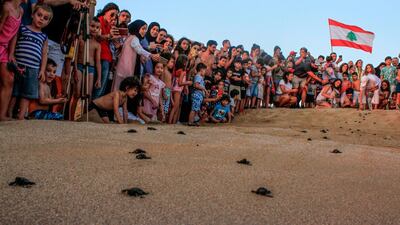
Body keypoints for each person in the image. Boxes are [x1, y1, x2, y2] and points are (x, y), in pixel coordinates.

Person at [9, 3, 52, 120]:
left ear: (47, 22)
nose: (41, 19)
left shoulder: (44, 37)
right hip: (18, 65)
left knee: (26, 94)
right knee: (14, 91)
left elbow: (44, 54)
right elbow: (14, 40)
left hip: (33, 68)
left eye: (45, 18)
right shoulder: (23, 28)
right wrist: (11, 54)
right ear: (32, 15)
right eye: (39, 15)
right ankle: (8, 113)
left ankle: (21, 116)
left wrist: (42, 70)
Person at [113, 20, 159, 91]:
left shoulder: (129, 37)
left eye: (145, 29)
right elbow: (139, 49)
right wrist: (151, 55)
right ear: (137, 28)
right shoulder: (134, 38)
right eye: (143, 29)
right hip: (126, 68)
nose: (145, 31)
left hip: (122, 67)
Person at [70, 17, 102, 119]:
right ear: (87, 26)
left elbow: (98, 63)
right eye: (92, 26)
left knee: (88, 95)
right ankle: (70, 117)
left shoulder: (97, 45)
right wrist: (74, 70)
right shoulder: (80, 39)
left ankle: (83, 117)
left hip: (91, 69)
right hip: (79, 66)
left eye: (97, 27)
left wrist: (99, 78)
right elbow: (74, 57)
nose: (94, 29)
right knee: (77, 93)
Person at [0, 0, 24, 121]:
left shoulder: (21, 11)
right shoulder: (6, 7)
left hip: (5, 49)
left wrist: (11, 53)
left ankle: (2, 115)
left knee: (9, 79)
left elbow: (15, 34)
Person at [92, 3, 120, 99]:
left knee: (102, 87)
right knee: (98, 86)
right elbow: (96, 37)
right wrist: (109, 36)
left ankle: (95, 107)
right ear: (105, 12)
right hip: (100, 56)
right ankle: (93, 107)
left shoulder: (109, 26)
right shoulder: (99, 21)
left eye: (116, 16)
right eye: (112, 14)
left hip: (107, 57)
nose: (113, 17)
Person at [168, 54, 192, 124]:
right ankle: (170, 122)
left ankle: (173, 122)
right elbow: (180, 83)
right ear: (184, 62)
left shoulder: (178, 70)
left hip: (176, 89)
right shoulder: (183, 71)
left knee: (176, 106)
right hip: (177, 89)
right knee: (175, 107)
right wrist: (188, 82)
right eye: (187, 62)